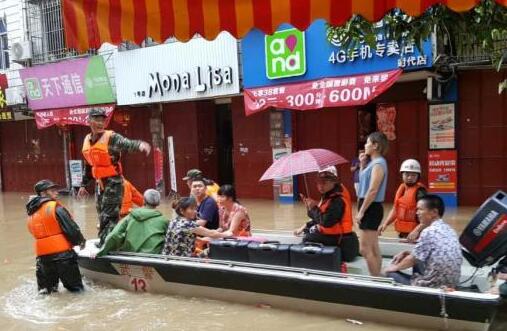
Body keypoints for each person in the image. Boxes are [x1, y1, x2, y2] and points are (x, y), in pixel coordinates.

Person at [78, 108, 151, 246]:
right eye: (96, 120)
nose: (100, 123)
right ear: (89, 121)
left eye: (102, 120)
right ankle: (105, 240)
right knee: (101, 212)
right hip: (99, 183)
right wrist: (83, 184)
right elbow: (89, 165)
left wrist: (140, 145)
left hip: (113, 181)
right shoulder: (87, 140)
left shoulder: (111, 137)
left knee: (109, 214)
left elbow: (127, 144)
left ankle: (106, 243)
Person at [384, 195, 463, 288]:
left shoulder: (428, 231)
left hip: (433, 287)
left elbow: (412, 259)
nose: (417, 213)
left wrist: (393, 267)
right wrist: (408, 253)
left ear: (434, 212)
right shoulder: (450, 230)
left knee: (388, 273)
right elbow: (421, 255)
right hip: (452, 284)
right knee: (415, 259)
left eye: (420, 209)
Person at [26, 180, 86, 294]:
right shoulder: (55, 208)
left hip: (43, 259)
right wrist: (81, 241)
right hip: (63, 257)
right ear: (43, 193)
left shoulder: (31, 213)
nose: (56, 192)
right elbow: (71, 229)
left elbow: (32, 232)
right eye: (52, 190)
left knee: (47, 293)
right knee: (77, 291)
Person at [294, 166, 359, 262]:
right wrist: (306, 220)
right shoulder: (330, 193)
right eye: (318, 183)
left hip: (339, 238)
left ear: (334, 181)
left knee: (307, 238)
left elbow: (326, 222)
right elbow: (321, 216)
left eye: (324, 183)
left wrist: (313, 208)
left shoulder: (337, 199)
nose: (320, 186)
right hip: (336, 235)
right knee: (308, 230)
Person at [94, 189, 169, 257]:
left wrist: (102, 251)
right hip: (154, 255)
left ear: (144, 201)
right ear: (158, 203)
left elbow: (115, 235)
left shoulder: (130, 217)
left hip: (131, 254)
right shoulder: (164, 220)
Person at [356, 132, 389, 276]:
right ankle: (378, 277)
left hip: (371, 206)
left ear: (375, 145)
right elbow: (364, 182)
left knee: (364, 249)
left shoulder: (379, 163)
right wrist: (362, 165)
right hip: (368, 205)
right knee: (373, 246)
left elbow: (373, 190)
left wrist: (362, 211)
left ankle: (376, 280)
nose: (365, 145)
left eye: (367, 142)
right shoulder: (372, 163)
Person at [378, 159, 427, 241]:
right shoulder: (402, 188)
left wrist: (417, 231)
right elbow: (395, 209)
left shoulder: (420, 192)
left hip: (417, 234)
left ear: (418, 176)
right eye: (407, 174)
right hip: (403, 232)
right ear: (402, 175)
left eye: (413, 175)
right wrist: (385, 224)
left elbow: (426, 215)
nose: (410, 177)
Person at [162, 197, 227, 257]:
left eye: (195, 209)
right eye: (191, 209)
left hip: (168, 258)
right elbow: (212, 234)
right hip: (184, 261)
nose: (195, 211)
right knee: (214, 249)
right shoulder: (189, 224)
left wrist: (204, 239)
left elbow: (182, 236)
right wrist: (227, 234)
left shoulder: (173, 221)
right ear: (182, 211)